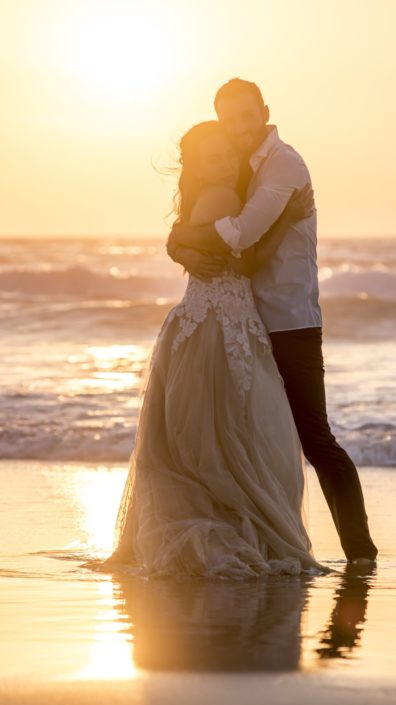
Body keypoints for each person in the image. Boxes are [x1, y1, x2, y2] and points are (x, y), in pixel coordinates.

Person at [97, 120, 327, 579]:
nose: (223, 164)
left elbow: (195, 238)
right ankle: (233, 529)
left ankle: (225, 521)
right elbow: (252, 260)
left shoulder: (213, 199)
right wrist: (288, 218)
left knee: (216, 440)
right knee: (240, 439)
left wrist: (179, 240)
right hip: (219, 331)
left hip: (207, 324)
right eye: (212, 158)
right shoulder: (225, 199)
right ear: (197, 166)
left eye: (227, 155)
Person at [167, 78, 378, 565]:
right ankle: (252, 540)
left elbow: (239, 237)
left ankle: (361, 554)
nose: (238, 127)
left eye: (246, 115)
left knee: (314, 439)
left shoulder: (283, 164)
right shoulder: (238, 166)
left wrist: (182, 236)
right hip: (243, 324)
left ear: (264, 111)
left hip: (288, 323)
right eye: (229, 119)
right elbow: (210, 208)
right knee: (249, 440)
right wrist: (177, 241)